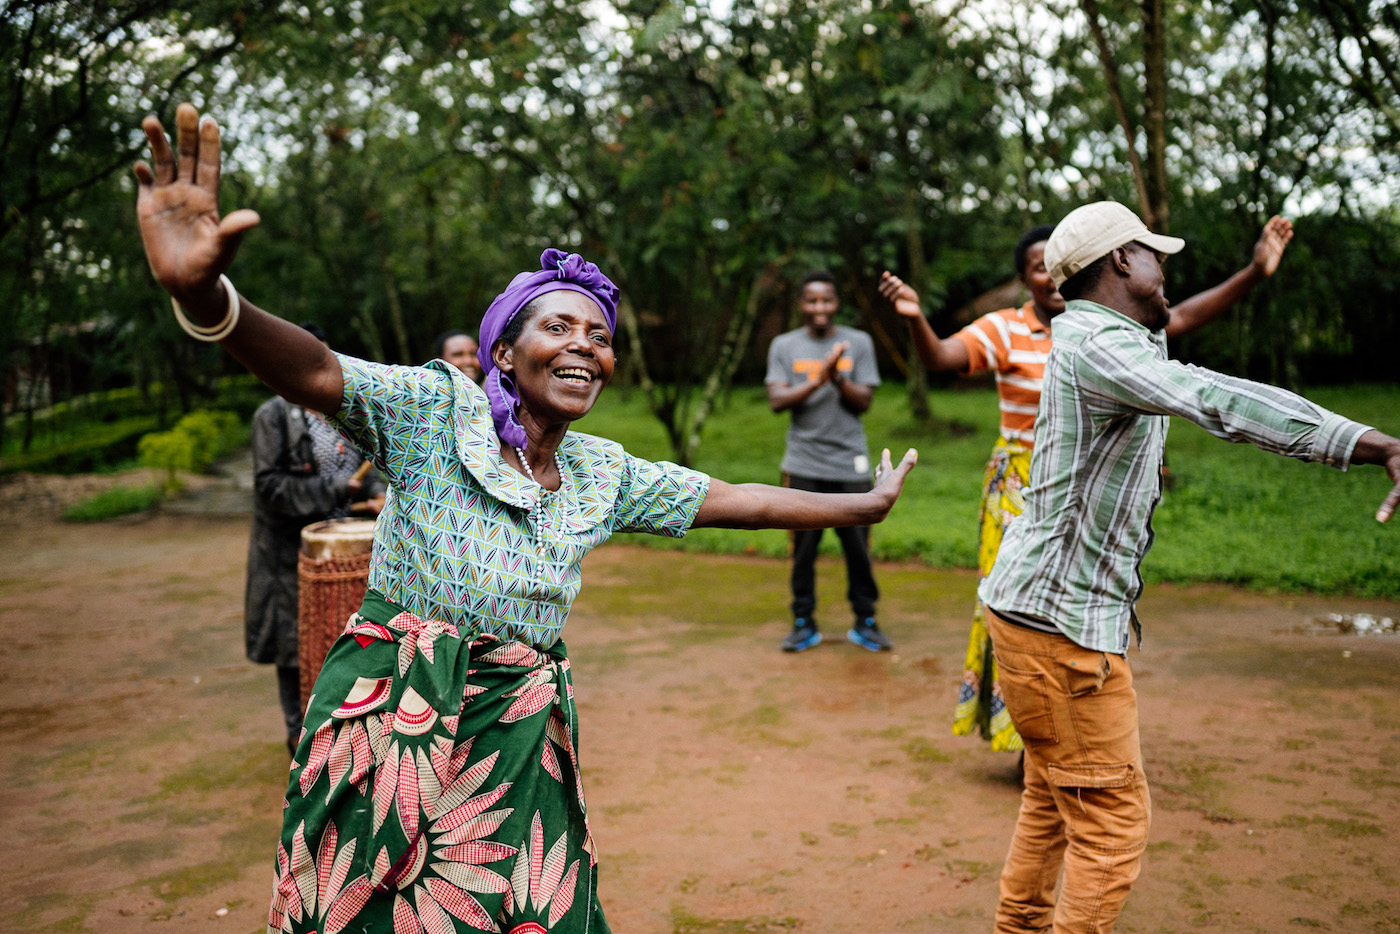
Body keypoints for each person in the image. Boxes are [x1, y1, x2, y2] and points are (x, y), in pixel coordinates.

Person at [133, 103, 918, 934]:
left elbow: (739, 499)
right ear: (504, 350)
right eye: (559, 326)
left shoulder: (600, 472)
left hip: (515, 746)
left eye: (601, 335)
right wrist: (210, 299)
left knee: (529, 913)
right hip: (390, 722)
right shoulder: (435, 412)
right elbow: (319, 371)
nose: (586, 346)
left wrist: (860, 503)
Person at [974, 200, 1400, 934]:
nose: (1164, 270)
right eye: (1153, 256)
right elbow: (1214, 397)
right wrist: (1366, 442)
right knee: (1111, 825)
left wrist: (1254, 272)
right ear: (1119, 263)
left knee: (1052, 801)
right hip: (1058, 632)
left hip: (1039, 618)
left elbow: (1182, 336)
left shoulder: (1110, 337)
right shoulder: (1101, 348)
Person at [880, 214, 1293, 753]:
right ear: (1026, 278)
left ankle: (1066, 725)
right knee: (1015, 603)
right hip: (1019, 482)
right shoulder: (1004, 328)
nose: (1051, 277)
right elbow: (941, 357)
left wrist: (1255, 272)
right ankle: (1029, 737)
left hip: (1091, 480)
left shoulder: (1112, 325)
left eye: (1059, 265)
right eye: (1037, 268)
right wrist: (915, 319)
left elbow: (1184, 315)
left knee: (1081, 601)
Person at [245, 322, 384, 757]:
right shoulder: (273, 416)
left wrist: (377, 495)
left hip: (353, 551)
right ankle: (298, 738)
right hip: (291, 554)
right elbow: (270, 488)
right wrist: (338, 492)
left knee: (356, 639)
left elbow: (376, 464)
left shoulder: (347, 410)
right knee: (296, 644)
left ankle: (354, 735)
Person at [766, 270, 889, 653]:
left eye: (827, 300)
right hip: (802, 464)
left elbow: (864, 403)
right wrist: (819, 379)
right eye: (812, 300)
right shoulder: (784, 346)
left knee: (858, 548)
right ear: (802, 305)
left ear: (836, 303)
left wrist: (838, 379)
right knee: (803, 550)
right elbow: (777, 401)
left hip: (849, 464)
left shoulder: (858, 342)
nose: (820, 308)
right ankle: (804, 623)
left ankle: (865, 621)